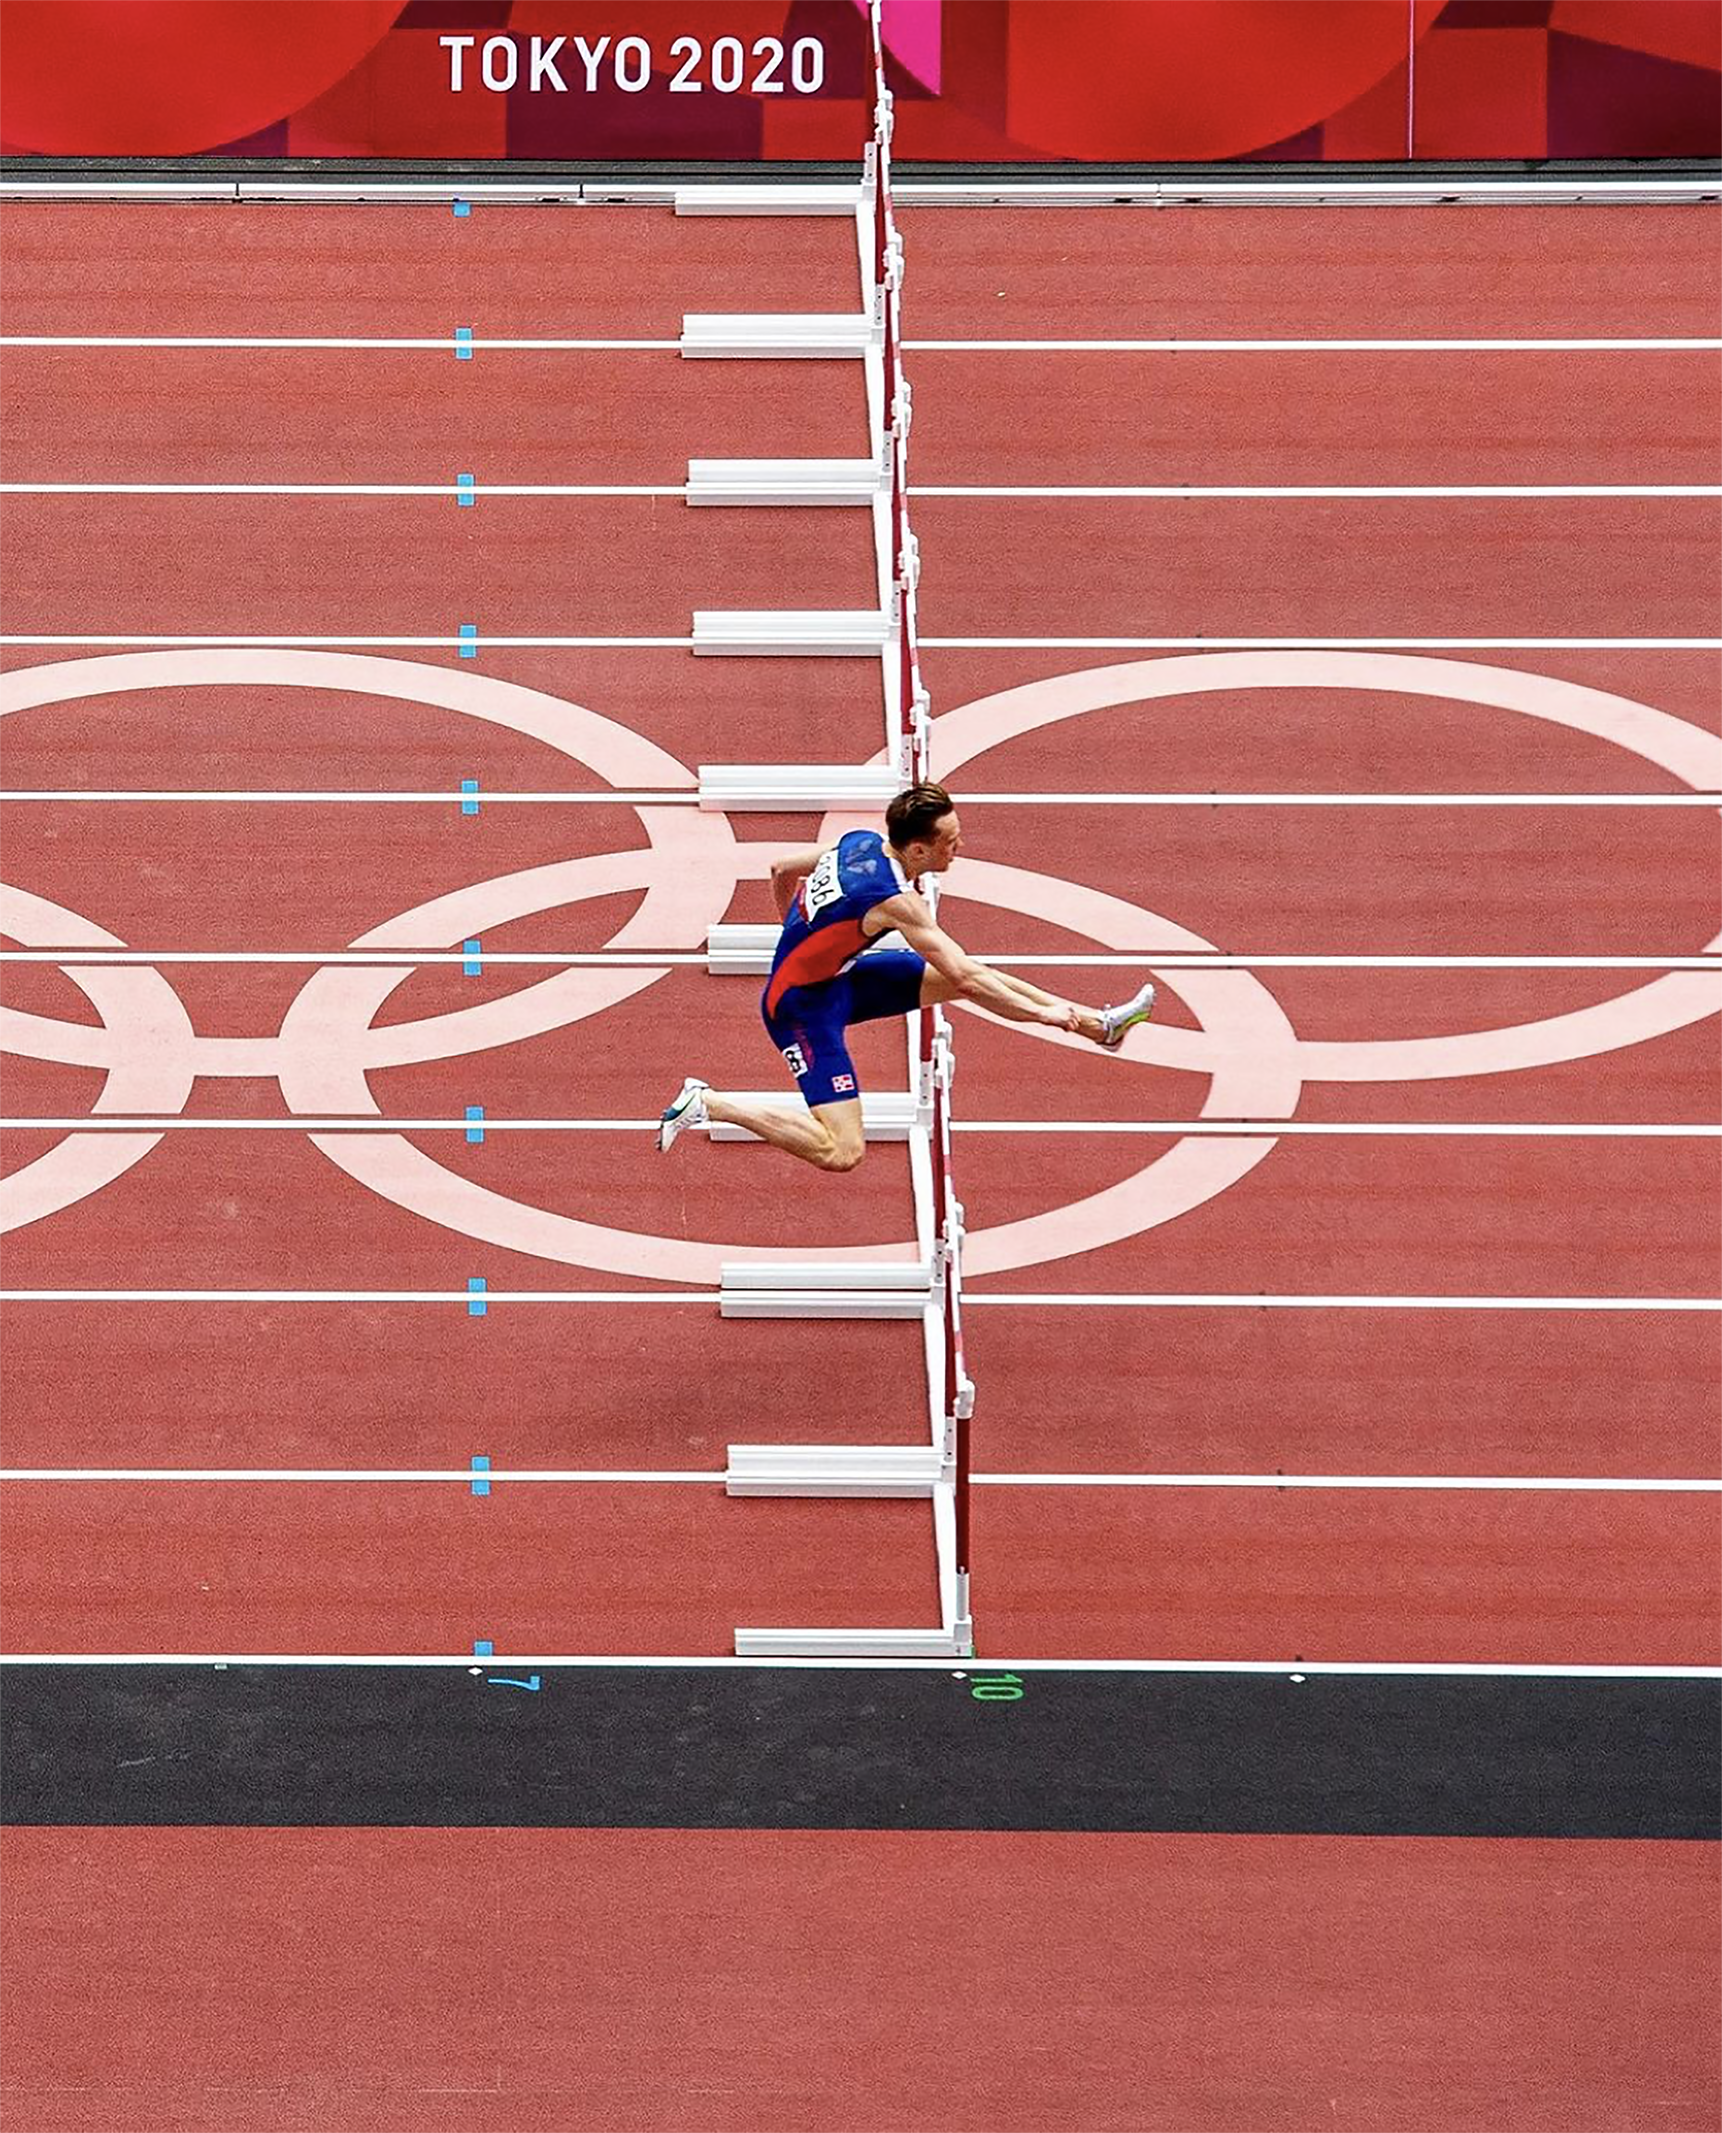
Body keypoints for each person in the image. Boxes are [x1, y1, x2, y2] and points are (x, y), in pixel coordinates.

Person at [656, 780, 1156, 1173]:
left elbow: (780, 868)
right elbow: (962, 974)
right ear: (917, 851)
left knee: (969, 975)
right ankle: (710, 1103)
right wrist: (1044, 1015)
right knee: (842, 1151)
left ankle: (1100, 1027)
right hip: (798, 1009)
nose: (959, 849)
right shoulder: (897, 902)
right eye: (951, 843)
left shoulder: (861, 842)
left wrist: (795, 928)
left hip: (837, 979)